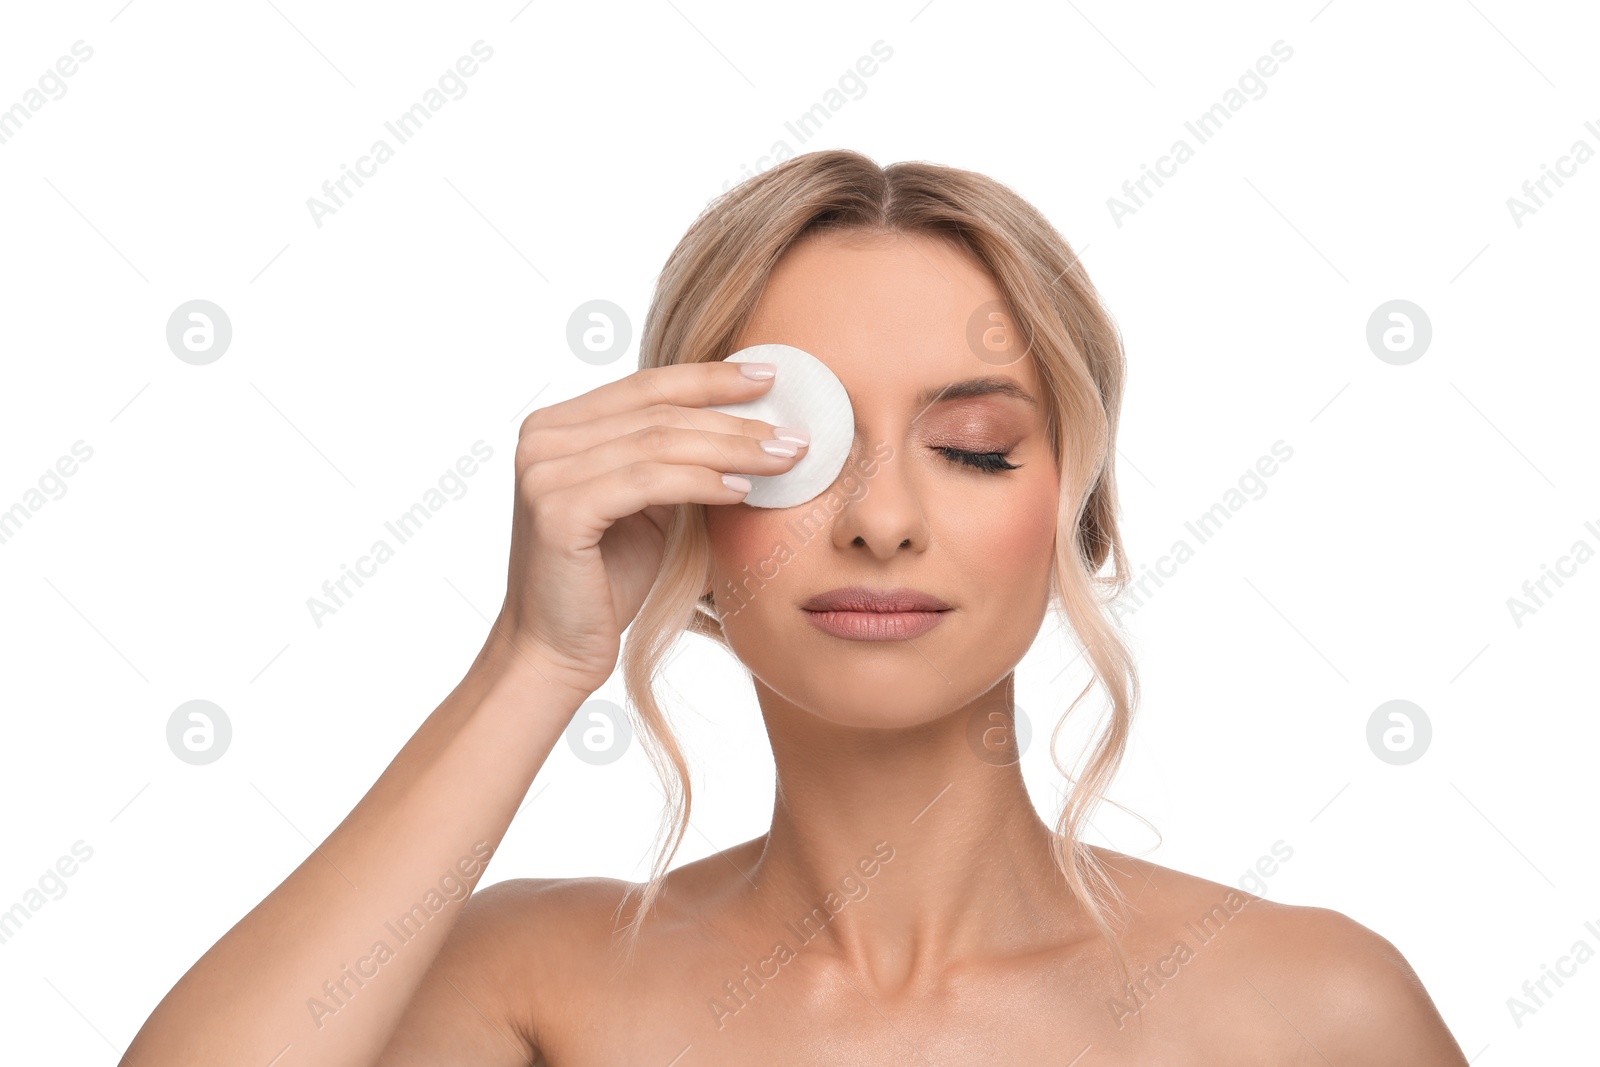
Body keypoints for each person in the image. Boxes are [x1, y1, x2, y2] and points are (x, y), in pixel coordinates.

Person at [123, 150, 1468, 1064]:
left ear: (1083, 514)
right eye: (798, 447)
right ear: (684, 499)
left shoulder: (1310, 1009)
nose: (882, 522)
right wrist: (534, 659)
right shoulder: (534, 986)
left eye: (977, 446)